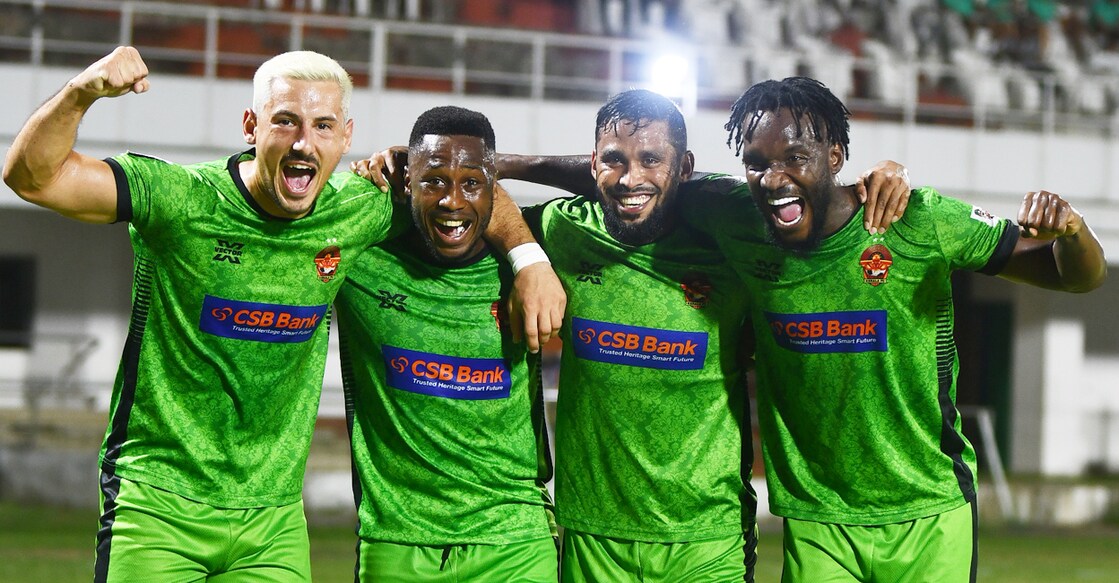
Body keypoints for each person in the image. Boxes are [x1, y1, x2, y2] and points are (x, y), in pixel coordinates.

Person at [1, 47, 562, 581]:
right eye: (286, 121)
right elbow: (35, 177)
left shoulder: (356, 211)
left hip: (273, 521)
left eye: (322, 126)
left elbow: (468, 192)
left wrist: (528, 256)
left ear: (347, 136)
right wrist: (80, 93)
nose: (303, 143)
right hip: (156, 501)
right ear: (251, 126)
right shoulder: (180, 201)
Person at [359, 89, 909, 583]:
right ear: (594, 162)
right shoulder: (562, 231)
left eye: (652, 160)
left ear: (685, 168)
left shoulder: (733, 234)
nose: (630, 178)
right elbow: (475, 206)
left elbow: (815, 203)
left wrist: (880, 179)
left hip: (708, 540)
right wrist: (521, 245)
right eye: (613, 161)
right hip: (593, 536)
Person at [711, 76, 1107, 582]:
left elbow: (1076, 276)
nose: (772, 177)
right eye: (756, 162)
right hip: (819, 521)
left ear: (834, 157)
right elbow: (640, 183)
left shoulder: (917, 220)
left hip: (930, 510)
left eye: (794, 157)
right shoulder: (738, 221)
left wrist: (1072, 230)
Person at [335, 106, 557, 582]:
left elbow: (657, 194)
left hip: (516, 540)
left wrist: (529, 256)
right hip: (396, 540)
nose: (452, 201)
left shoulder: (538, 255)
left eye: (472, 183)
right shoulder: (361, 259)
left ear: (494, 187)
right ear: (407, 181)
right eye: (433, 181)